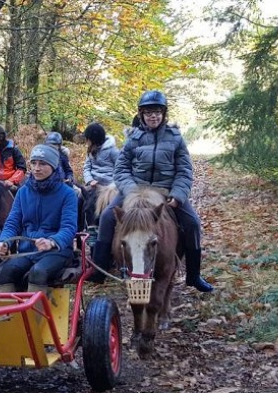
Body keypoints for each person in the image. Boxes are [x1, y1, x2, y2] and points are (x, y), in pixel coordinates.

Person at [88, 90, 213, 292]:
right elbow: (121, 169)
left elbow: (184, 170)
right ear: (141, 114)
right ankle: (100, 268)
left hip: (166, 190)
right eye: (148, 112)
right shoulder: (133, 138)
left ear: (163, 114)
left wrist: (178, 195)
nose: (153, 116)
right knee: (107, 217)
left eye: (157, 112)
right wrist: (130, 191)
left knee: (192, 223)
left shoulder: (176, 138)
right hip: (135, 189)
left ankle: (194, 275)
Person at [0, 144, 77, 294]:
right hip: (28, 252)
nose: (36, 168)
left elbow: (69, 228)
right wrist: (4, 241)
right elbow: (12, 223)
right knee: (3, 272)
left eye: (42, 164)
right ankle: (9, 309)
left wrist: (52, 242)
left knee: (38, 272)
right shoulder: (23, 192)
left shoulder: (67, 194)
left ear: (54, 166)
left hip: (57, 252)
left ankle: (36, 310)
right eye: (33, 163)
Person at [82, 122, 119, 227]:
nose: (86, 141)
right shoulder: (90, 150)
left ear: (94, 139)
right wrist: (90, 180)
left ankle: (95, 228)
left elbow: (120, 169)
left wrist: (112, 185)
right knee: (79, 200)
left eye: (87, 139)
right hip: (93, 184)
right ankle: (80, 228)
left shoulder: (113, 151)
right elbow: (87, 167)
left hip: (108, 187)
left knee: (91, 204)